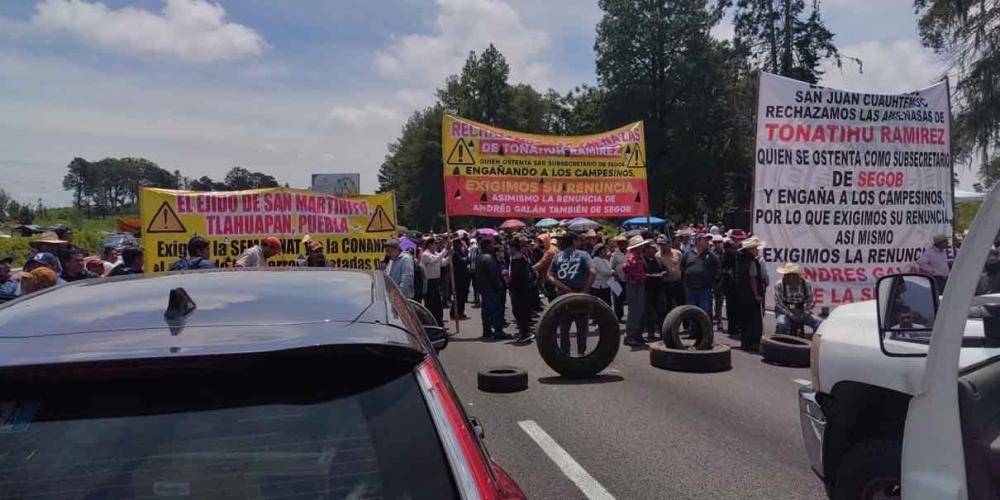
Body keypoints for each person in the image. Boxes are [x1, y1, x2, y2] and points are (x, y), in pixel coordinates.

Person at [548, 232, 596, 356]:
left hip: (563, 295)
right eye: (579, 239)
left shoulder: (558, 256)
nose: (581, 242)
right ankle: (581, 353)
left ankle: (565, 354)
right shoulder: (583, 254)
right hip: (580, 293)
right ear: (574, 241)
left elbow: (550, 276)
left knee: (564, 327)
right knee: (582, 327)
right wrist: (585, 290)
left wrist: (564, 287)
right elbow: (593, 273)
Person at [733, 237, 766, 351]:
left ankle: (745, 343)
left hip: (742, 295)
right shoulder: (752, 261)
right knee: (754, 320)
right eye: (755, 248)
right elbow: (753, 279)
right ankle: (753, 343)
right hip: (751, 296)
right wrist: (757, 294)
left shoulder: (740, 261)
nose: (757, 250)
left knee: (744, 320)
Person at [773, 263, 822, 335]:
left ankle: (815, 343)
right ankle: (779, 343)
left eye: (788, 275)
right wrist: (790, 314)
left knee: (820, 323)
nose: (785, 277)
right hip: (786, 311)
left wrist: (805, 312)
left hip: (802, 310)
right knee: (782, 325)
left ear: (795, 276)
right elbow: (778, 303)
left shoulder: (806, 284)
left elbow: (812, 300)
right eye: (785, 275)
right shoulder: (779, 284)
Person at [475, 238, 509, 339]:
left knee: (486, 311)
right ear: (487, 246)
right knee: (495, 311)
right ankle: (498, 331)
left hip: (484, 289)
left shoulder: (479, 257)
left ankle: (487, 331)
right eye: (491, 245)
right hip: (491, 289)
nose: (493, 247)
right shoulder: (489, 258)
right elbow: (493, 275)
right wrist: (499, 286)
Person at [682, 233, 719, 317]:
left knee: (704, 314)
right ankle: (694, 329)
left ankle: (705, 330)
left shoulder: (711, 256)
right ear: (697, 241)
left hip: (705, 290)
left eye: (708, 240)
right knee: (692, 313)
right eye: (705, 240)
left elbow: (717, 270)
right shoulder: (688, 254)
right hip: (691, 290)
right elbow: (683, 267)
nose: (707, 242)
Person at [623, 236, 651, 346]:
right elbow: (626, 267)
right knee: (634, 312)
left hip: (637, 285)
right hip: (635, 286)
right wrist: (634, 278)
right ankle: (630, 336)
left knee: (639, 311)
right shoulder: (632, 257)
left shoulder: (638, 256)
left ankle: (636, 335)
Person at [507, 235, 535, 343]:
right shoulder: (515, 258)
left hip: (521, 290)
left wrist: (510, 283)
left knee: (520, 311)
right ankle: (524, 332)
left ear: (515, 247)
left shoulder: (520, 259)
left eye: (510, 247)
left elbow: (520, 277)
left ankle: (525, 333)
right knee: (518, 311)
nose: (509, 249)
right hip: (518, 290)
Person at [420, 236, 451, 328]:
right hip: (429, 283)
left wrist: (449, 256)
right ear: (430, 245)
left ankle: (439, 323)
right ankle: (431, 325)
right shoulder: (426, 255)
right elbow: (435, 261)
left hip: (436, 282)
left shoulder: (436, 253)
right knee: (431, 305)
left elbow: (443, 263)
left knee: (438, 306)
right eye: (435, 244)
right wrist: (445, 249)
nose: (437, 245)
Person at [643, 241, 667, 341]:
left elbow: (665, 270)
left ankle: (663, 333)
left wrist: (662, 273)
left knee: (661, 312)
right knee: (649, 313)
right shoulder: (643, 261)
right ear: (647, 249)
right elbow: (642, 275)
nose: (655, 250)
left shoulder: (658, 259)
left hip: (659, 289)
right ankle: (650, 334)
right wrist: (654, 276)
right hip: (647, 290)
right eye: (652, 248)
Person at [659, 235, 685, 313]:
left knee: (682, 305)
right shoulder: (657, 255)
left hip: (678, 283)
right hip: (666, 284)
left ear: (668, 244)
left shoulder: (677, 253)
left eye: (663, 244)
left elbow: (682, 267)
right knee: (668, 306)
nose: (662, 247)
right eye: (660, 245)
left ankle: (685, 324)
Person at [533, 233, 559, 301]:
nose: (540, 244)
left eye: (541, 242)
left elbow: (542, 263)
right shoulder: (553, 248)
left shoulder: (549, 252)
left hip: (548, 275)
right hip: (554, 274)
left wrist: (531, 269)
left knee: (551, 294)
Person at [451, 238, 471, 320]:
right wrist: (465, 259)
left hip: (463, 277)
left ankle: (461, 312)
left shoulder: (461, 252)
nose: (460, 245)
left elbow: (467, 259)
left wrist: (466, 258)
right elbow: (461, 261)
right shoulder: (454, 253)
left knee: (462, 296)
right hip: (458, 277)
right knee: (458, 296)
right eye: (459, 244)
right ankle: (455, 313)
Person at [610, 235, 628, 322]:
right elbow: (611, 267)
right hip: (616, 279)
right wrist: (615, 274)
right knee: (617, 298)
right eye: (620, 243)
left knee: (626, 297)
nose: (622, 244)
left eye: (623, 242)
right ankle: (618, 316)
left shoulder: (629, 252)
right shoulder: (614, 254)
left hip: (627, 279)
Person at [590, 243, 614, 308]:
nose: (605, 252)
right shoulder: (596, 259)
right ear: (599, 251)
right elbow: (604, 272)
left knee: (607, 303)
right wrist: (613, 272)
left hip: (606, 285)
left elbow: (609, 269)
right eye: (604, 250)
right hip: (599, 286)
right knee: (602, 304)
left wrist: (611, 271)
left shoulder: (604, 260)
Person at [711, 234, 727, 329]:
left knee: (720, 301)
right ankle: (717, 320)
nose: (717, 244)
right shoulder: (711, 254)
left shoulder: (726, 253)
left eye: (719, 242)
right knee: (716, 300)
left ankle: (719, 319)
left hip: (724, 279)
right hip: (714, 279)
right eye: (715, 242)